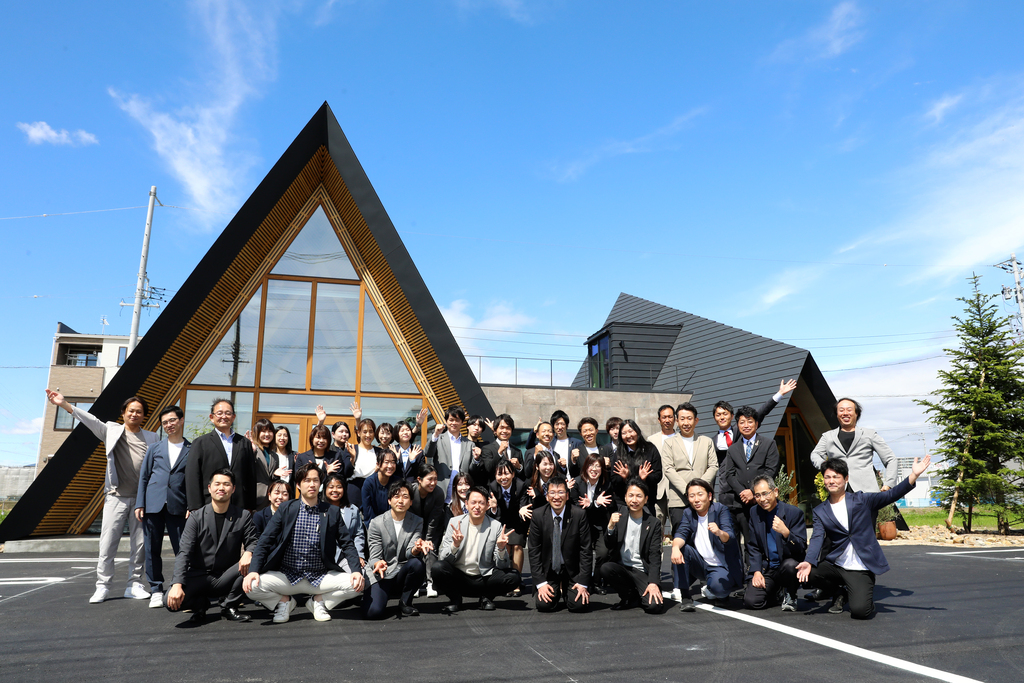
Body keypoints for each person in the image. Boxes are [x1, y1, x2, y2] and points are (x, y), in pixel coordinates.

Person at [45, 390, 159, 603]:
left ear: (144, 415)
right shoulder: (111, 431)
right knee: (107, 544)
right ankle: (103, 586)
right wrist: (65, 404)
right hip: (116, 496)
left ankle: (134, 584)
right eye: (131, 411)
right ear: (123, 413)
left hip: (141, 499)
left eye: (139, 411)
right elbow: (90, 420)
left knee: (140, 545)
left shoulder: (152, 437)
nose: (134, 414)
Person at [797, 455, 931, 619]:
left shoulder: (862, 500)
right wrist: (809, 561)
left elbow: (890, 495)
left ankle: (859, 594)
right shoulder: (820, 511)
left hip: (860, 567)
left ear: (846, 479)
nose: (831, 481)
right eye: (827, 477)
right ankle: (838, 592)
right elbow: (817, 537)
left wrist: (914, 475)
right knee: (807, 573)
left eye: (836, 477)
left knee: (860, 611)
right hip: (836, 564)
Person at [243, 462, 365, 623]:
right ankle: (284, 602)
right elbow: (265, 541)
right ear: (299, 485)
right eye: (307, 480)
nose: (312, 484)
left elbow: (347, 543)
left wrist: (356, 570)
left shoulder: (331, 511)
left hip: (320, 577)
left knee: (357, 584)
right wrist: (253, 570)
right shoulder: (286, 508)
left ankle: (318, 602)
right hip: (287, 576)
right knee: (251, 586)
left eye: (315, 480)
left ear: (320, 484)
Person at [164, 469, 259, 624]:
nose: (221, 488)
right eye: (217, 484)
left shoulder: (243, 516)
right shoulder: (196, 517)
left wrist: (248, 552)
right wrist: (177, 584)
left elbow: (254, 541)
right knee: (169, 602)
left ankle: (229, 606)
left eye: (226, 484)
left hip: (226, 576)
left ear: (233, 489)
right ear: (209, 488)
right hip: (199, 575)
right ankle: (200, 604)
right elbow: (184, 552)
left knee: (252, 562)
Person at [661, 402, 719, 601]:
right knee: (680, 541)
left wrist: (699, 489)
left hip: (704, 500)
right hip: (679, 499)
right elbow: (668, 469)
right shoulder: (669, 443)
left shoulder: (706, 441)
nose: (686, 422)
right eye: (682, 418)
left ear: (696, 420)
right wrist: (689, 490)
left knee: (705, 539)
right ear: (677, 421)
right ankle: (679, 585)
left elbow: (713, 466)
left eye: (689, 418)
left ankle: (707, 582)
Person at [135, 406, 192, 607]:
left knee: (182, 549)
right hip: (153, 504)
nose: (169, 425)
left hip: (179, 505)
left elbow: (194, 480)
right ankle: (156, 589)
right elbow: (144, 476)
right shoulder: (154, 448)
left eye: (172, 420)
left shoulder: (192, 449)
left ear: (181, 420)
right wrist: (140, 503)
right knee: (152, 548)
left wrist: (192, 505)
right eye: (165, 422)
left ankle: (181, 586)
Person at [435, 487, 521, 614]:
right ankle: (455, 599)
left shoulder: (495, 526)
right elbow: (442, 557)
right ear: (466, 504)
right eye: (473, 502)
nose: (477, 507)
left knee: (514, 576)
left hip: (484, 578)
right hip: (459, 577)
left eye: (481, 503)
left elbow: (502, 566)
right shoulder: (455, 522)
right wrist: (455, 545)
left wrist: (501, 548)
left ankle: (486, 597)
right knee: (437, 568)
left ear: (487, 505)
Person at [720, 405, 781, 572]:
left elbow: (771, 470)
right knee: (735, 543)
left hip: (760, 503)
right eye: (742, 422)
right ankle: (738, 577)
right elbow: (729, 474)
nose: (746, 425)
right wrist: (743, 492)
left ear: (756, 424)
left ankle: (758, 573)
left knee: (754, 541)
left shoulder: (768, 444)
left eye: (749, 421)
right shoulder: (733, 448)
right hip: (738, 504)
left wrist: (753, 492)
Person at [710, 379, 796, 495]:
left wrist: (780, 394)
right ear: (714, 418)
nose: (722, 417)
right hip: (726, 490)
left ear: (732, 416)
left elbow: (762, 412)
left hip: (751, 488)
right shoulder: (712, 441)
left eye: (725, 414)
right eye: (718, 415)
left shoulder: (741, 428)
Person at [671, 478, 744, 612]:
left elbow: (730, 536)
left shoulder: (720, 510)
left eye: (700, 494)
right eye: (692, 496)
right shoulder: (688, 513)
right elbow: (681, 533)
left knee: (719, 589)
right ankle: (686, 597)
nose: (696, 500)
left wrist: (719, 532)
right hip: (701, 563)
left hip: (720, 565)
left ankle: (715, 589)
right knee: (682, 549)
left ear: (709, 496)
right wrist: (675, 548)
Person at [363, 480, 430, 619]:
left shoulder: (417, 521)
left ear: (411, 502)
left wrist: (416, 548)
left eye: (405, 497)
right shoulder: (377, 523)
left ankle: (405, 602)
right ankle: (376, 596)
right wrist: (377, 563)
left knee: (417, 564)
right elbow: (374, 556)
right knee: (373, 613)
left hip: (401, 573)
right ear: (389, 501)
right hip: (382, 574)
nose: (400, 501)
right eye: (396, 496)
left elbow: (409, 552)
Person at [597, 479, 664, 613]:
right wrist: (610, 526)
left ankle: (639, 594)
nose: (634, 500)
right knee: (606, 568)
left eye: (639, 496)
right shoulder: (619, 516)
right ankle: (629, 597)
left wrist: (653, 583)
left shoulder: (653, 523)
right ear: (625, 498)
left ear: (646, 499)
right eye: (631, 495)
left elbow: (654, 555)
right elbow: (609, 545)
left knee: (654, 607)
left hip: (641, 570)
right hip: (623, 568)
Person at [527, 475, 592, 613]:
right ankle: (556, 591)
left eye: (561, 492)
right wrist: (541, 583)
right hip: (549, 569)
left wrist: (582, 583)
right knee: (544, 605)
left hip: (572, 570)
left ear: (567, 496)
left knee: (579, 605)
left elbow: (585, 550)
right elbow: (534, 551)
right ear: (546, 496)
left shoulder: (579, 515)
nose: (556, 497)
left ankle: (568, 592)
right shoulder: (538, 515)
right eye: (552, 493)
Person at [744, 475, 806, 611]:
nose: (762, 499)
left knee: (790, 566)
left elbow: (801, 547)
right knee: (752, 601)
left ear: (775, 492)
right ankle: (776, 593)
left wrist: (786, 533)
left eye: (765, 493)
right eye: (757, 495)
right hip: (768, 568)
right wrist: (756, 571)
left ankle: (790, 593)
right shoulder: (754, 512)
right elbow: (753, 546)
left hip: (786, 566)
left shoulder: (793, 513)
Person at [810, 398, 899, 494]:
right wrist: (825, 466)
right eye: (841, 410)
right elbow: (815, 454)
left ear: (856, 413)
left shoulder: (869, 434)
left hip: (866, 492)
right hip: (838, 492)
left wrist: (889, 484)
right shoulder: (828, 436)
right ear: (837, 414)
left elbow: (890, 459)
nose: (845, 413)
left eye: (849, 410)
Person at [185, 399, 257, 513]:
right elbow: (192, 476)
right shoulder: (200, 443)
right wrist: (195, 507)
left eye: (228, 413)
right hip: (209, 503)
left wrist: (250, 506)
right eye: (219, 413)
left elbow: (251, 476)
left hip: (239, 504)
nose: (224, 416)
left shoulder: (244, 442)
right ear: (211, 417)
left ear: (233, 417)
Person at [570, 452, 614, 593]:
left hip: (600, 525)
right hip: (582, 526)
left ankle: (596, 582)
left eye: (598, 466)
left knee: (603, 553)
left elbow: (607, 507)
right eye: (591, 465)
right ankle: (584, 581)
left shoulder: (607, 485)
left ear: (602, 469)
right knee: (584, 553)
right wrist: (595, 504)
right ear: (585, 467)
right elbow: (576, 508)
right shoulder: (577, 483)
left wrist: (591, 504)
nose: (594, 469)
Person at [487, 459, 530, 593]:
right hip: (501, 522)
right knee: (505, 546)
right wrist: (494, 508)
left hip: (517, 521)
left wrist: (522, 510)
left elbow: (524, 504)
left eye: (507, 473)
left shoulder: (521, 485)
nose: (503, 477)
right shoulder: (493, 487)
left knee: (516, 546)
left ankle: (516, 581)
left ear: (513, 474)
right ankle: (505, 581)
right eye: (499, 474)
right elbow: (493, 513)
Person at [609, 419, 662, 517]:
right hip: (624, 503)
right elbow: (613, 479)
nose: (628, 435)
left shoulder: (650, 449)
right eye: (624, 433)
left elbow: (658, 475)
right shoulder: (618, 453)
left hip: (646, 502)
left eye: (630, 431)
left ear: (637, 431)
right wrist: (623, 478)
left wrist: (645, 478)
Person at [410, 463, 446, 597]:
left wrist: (428, 539)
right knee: (416, 548)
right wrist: (419, 538)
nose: (433, 483)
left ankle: (431, 583)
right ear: (419, 479)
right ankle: (416, 583)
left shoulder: (438, 493)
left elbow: (434, 519)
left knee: (429, 548)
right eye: (429, 479)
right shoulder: (410, 491)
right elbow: (409, 516)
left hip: (433, 526)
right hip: (412, 526)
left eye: (435, 479)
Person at [426, 405, 473, 504]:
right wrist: (435, 435)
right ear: (446, 421)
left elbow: (472, 469)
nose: (454, 423)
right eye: (451, 420)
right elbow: (428, 453)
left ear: (462, 422)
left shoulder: (469, 444)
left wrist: (476, 459)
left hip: (461, 492)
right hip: (441, 490)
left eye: (457, 420)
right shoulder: (438, 438)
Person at [246, 418, 292, 510]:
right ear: (257, 433)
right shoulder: (252, 449)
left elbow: (271, 478)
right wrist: (250, 450)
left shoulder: (274, 455)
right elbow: (246, 469)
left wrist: (275, 475)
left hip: (270, 500)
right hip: (253, 497)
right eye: (263, 431)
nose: (267, 434)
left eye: (270, 431)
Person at [324, 472, 365, 571]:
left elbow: (358, 534)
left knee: (360, 574)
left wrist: (358, 555)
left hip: (347, 556)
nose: (335, 490)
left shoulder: (353, 510)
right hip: (325, 558)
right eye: (331, 487)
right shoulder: (319, 509)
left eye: (339, 487)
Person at [649, 404, 679, 535]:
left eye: (670, 417)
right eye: (664, 417)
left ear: (675, 419)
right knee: (656, 529)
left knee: (678, 528)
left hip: (677, 491)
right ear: (659, 419)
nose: (667, 420)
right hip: (657, 491)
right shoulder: (651, 440)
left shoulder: (681, 438)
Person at [526, 410, 583, 475]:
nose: (559, 427)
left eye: (562, 424)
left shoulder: (577, 443)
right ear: (553, 426)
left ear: (567, 425)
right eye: (557, 424)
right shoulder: (548, 442)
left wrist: (570, 462)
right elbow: (529, 447)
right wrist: (534, 430)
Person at [347, 417, 386, 507]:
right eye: (364, 432)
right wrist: (352, 459)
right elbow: (346, 473)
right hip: (355, 490)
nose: (368, 435)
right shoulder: (352, 449)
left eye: (371, 431)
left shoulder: (379, 452)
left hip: (373, 489)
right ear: (358, 433)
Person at [481, 414, 526, 481]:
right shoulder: (487, 449)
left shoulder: (517, 451)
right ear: (495, 430)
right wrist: (499, 452)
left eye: (508, 428)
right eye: (501, 428)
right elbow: (488, 469)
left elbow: (523, 477)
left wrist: (519, 467)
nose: (504, 431)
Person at [362, 449, 400, 523]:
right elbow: (367, 509)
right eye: (386, 462)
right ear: (378, 464)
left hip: (392, 523)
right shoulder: (369, 483)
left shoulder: (397, 482)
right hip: (373, 523)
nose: (390, 466)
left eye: (393, 462)